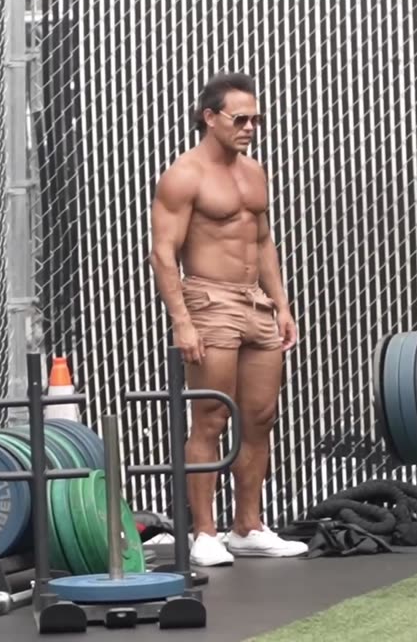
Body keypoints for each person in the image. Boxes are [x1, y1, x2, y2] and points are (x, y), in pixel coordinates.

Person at [148, 72, 308, 566]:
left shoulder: (253, 172)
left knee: (261, 417)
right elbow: (162, 252)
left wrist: (282, 305)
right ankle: (204, 532)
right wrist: (182, 320)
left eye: (256, 119)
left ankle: (249, 526)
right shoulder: (184, 174)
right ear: (209, 117)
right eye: (241, 119)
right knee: (212, 416)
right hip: (209, 302)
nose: (251, 127)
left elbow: (262, 241)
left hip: (255, 302)